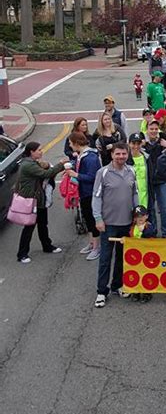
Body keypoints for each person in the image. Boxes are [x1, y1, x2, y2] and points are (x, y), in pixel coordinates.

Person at [92, 142, 138, 308]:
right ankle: (101, 291)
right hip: (108, 224)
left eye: (123, 154)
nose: (121, 157)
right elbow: (96, 197)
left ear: (127, 155)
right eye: (118, 154)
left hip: (126, 223)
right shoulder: (102, 173)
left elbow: (135, 194)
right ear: (112, 155)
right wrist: (98, 218)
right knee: (105, 258)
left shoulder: (131, 171)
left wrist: (137, 216)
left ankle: (117, 285)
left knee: (122, 257)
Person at [15, 141, 67, 264]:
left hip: (39, 200)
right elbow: (46, 173)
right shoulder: (28, 165)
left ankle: (47, 246)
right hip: (32, 201)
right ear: (31, 152)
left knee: (43, 224)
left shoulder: (33, 163)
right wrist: (60, 165)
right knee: (29, 226)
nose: (41, 151)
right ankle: (22, 254)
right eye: (38, 150)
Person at [66, 131, 102, 260]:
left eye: (70, 143)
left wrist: (76, 175)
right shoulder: (82, 155)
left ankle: (97, 247)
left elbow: (93, 177)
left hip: (90, 193)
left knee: (92, 220)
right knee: (87, 218)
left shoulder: (90, 157)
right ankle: (92, 243)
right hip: (84, 192)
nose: (70, 146)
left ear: (76, 143)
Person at [142, 120, 166, 238]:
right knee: (150, 208)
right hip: (148, 180)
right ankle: (152, 232)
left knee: (165, 208)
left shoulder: (163, 141)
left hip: (161, 179)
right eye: (151, 129)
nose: (153, 131)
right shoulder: (143, 143)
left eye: (155, 129)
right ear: (147, 130)